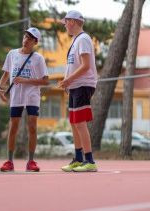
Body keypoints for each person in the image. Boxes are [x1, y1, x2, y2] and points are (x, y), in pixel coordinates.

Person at [0, 27, 49, 172]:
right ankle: (9, 161)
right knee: (13, 127)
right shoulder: (12, 54)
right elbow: (6, 74)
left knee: (32, 126)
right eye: (25, 36)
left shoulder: (38, 58)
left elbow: (45, 81)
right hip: (16, 96)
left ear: (35, 42)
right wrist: (0, 87)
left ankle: (31, 161)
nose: (26, 40)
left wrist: (25, 80)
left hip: (32, 96)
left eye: (30, 38)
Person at [58, 10, 98, 172]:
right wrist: (68, 83)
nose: (65, 25)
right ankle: (78, 158)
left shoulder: (83, 39)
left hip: (82, 85)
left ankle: (90, 161)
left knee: (80, 123)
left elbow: (86, 65)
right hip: (75, 86)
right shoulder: (76, 40)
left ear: (72, 22)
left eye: (66, 22)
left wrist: (68, 80)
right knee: (74, 123)